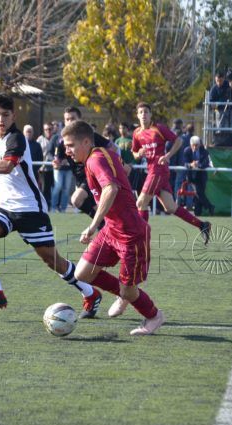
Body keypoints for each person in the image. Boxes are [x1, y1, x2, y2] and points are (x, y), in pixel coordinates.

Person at [0, 94, 102, 316]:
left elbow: (6, 166)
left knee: (53, 261)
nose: (1, 119)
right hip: (5, 207)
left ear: (13, 116)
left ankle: (90, 293)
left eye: (6, 115)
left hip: (30, 209)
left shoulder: (16, 139)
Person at [62, 120, 165, 335]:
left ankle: (153, 316)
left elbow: (111, 188)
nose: (67, 151)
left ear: (86, 142)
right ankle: (125, 293)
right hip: (111, 229)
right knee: (82, 273)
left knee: (128, 291)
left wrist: (92, 226)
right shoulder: (99, 155)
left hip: (131, 235)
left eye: (70, 145)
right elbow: (121, 173)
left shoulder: (95, 159)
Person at [131, 102, 211, 242]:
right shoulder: (137, 133)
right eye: (141, 112)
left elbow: (178, 141)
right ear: (137, 115)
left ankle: (142, 239)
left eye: (146, 112)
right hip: (152, 171)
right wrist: (139, 154)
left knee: (141, 203)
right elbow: (134, 152)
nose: (143, 114)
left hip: (158, 170)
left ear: (150, 114)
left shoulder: (159, 128)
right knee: (170, 207)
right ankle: (202, 225)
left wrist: (168, 155)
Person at [54, 106, 112, 218]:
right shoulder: (62, 142)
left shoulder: (91, 136)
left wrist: (111, 163)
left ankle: (102, 224)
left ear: (79, 119)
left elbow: (112, 148)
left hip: (93, 176)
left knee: (76, 199)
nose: (70, 122)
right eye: (67, 119)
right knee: (96, 208)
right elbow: (57, 160)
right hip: (80, 180)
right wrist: (56, 163)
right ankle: (104, 224)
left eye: (73, 118)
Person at [36, 122, 56, 206]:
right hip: (43, 168)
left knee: (55, 188)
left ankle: (54, 206)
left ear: (53, 129)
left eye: (50, 129)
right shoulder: (40, 140)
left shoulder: (56, 138)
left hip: (55, 168)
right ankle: (45, 205)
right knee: (44, 188)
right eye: (46, 129)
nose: (48, 131)